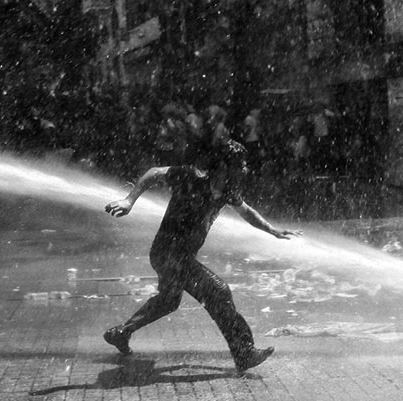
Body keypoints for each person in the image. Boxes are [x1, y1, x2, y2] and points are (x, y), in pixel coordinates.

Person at [103, 140, 300, 372]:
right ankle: (244, 352)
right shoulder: (191, 176)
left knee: (168, 302)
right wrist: (129, 200)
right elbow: (154, 172)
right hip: (168, 254)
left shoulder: (227, 190)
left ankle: (121, 333)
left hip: (178, 256)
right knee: (218, 291)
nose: (245, 170)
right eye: (241, 165)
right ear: (225, 166)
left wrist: (273, 230)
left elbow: (246, 212)